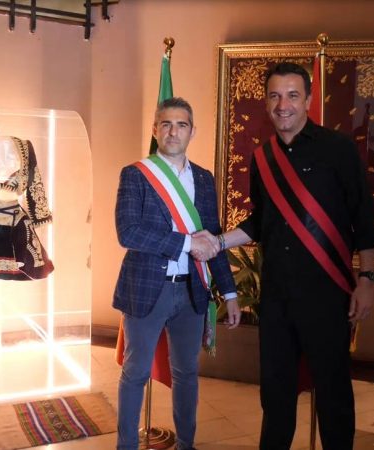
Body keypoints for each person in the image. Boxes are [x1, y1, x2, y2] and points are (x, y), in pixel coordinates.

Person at [209, 62, 374, 449]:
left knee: (333, 396)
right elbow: (261, 221)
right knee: (275, 395)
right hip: (277, 295)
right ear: (266, 102)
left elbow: (363, 219)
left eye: (291, 95)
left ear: (307, 99)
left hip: (328, 293)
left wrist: (367, 280)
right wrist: (218, 242)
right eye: (274, 96)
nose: (282, 105)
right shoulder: (263, 158)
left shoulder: (338, 149)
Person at [113, 97, 242, 450]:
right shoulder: (136, 174)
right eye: (166, 124)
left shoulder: (204, 178)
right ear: (155, 130)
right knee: (136, 373)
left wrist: (230, 292)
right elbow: (129, 232)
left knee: (187, 373)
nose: (173, 132)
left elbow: (213, 239)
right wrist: (187, 244)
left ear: (192, 131)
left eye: (181, 125)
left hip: (192, 291)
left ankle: (187, 444)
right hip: (147, 289)